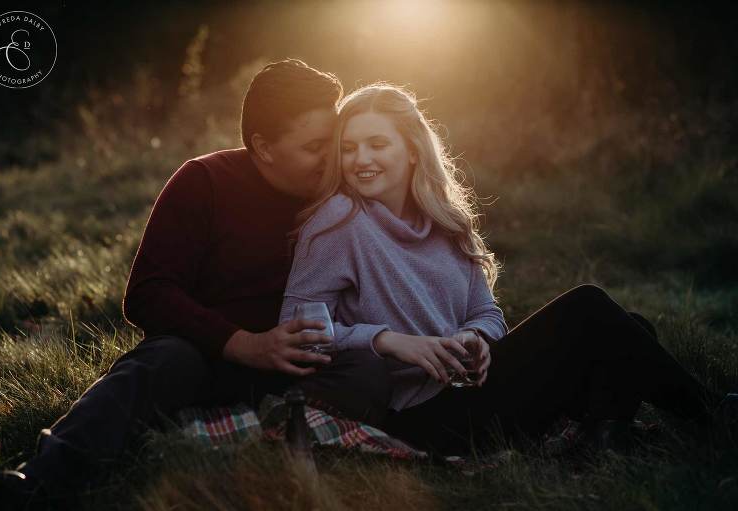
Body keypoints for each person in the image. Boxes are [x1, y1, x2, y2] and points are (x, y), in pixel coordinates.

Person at [0, 60, 393, 510]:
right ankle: (41, 480)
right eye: (315, 146)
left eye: (331, 143)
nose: (332, 158)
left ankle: (243, 430)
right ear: (264, 146)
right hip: (207, 360)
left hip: (298, 369)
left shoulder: (342, 192)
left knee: (370, 370)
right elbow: (147, 293)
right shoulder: (204, 182)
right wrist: (245, 344)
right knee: (163, 360)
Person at [279, 82, 731, 458]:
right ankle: (714, 416)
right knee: (590, 308)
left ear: (413, 150)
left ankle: (606, 437)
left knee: (632, 329)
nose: (361, 160)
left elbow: (487, 312)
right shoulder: (338, 221)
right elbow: (297, 329)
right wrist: (387, 340)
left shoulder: (445, 222)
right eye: (350, 148)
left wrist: (475, 340)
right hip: (423, 418)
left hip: (477, 390)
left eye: (377, 144)